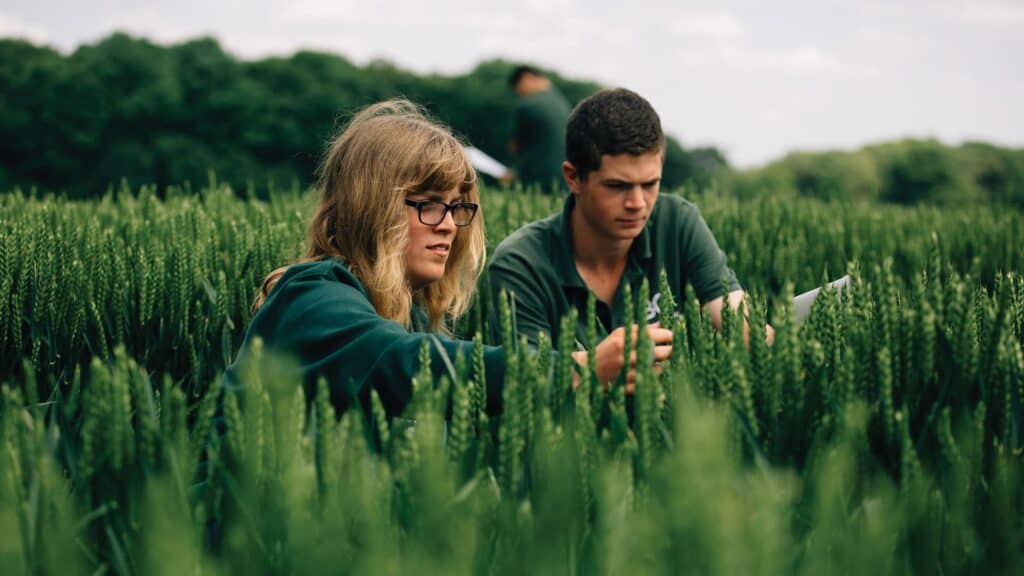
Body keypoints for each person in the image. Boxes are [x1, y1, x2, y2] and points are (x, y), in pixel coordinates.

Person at [224, 99, 662, 418]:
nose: (450, 225)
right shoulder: (312, 297)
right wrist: (576, 368)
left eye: (458, 207)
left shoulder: (406, 316)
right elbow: (407, 364)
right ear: (370, 206)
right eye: (429, 204)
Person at [488, 88, 772, 359]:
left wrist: (786, 347)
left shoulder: (677, 222)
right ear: (573, 177)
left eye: (650, 184)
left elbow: (735, 315)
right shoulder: (520, 262)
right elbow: (526, 379)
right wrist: (598, 368)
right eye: (617, 186)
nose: (637, 203)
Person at [502, 65, 571, 193]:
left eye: (518, 90)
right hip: (564, 182)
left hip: (536, 183)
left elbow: (514, 148)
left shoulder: (527, 106)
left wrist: (513, 173)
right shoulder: (563, 103)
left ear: (526, 79)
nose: (520, 95)